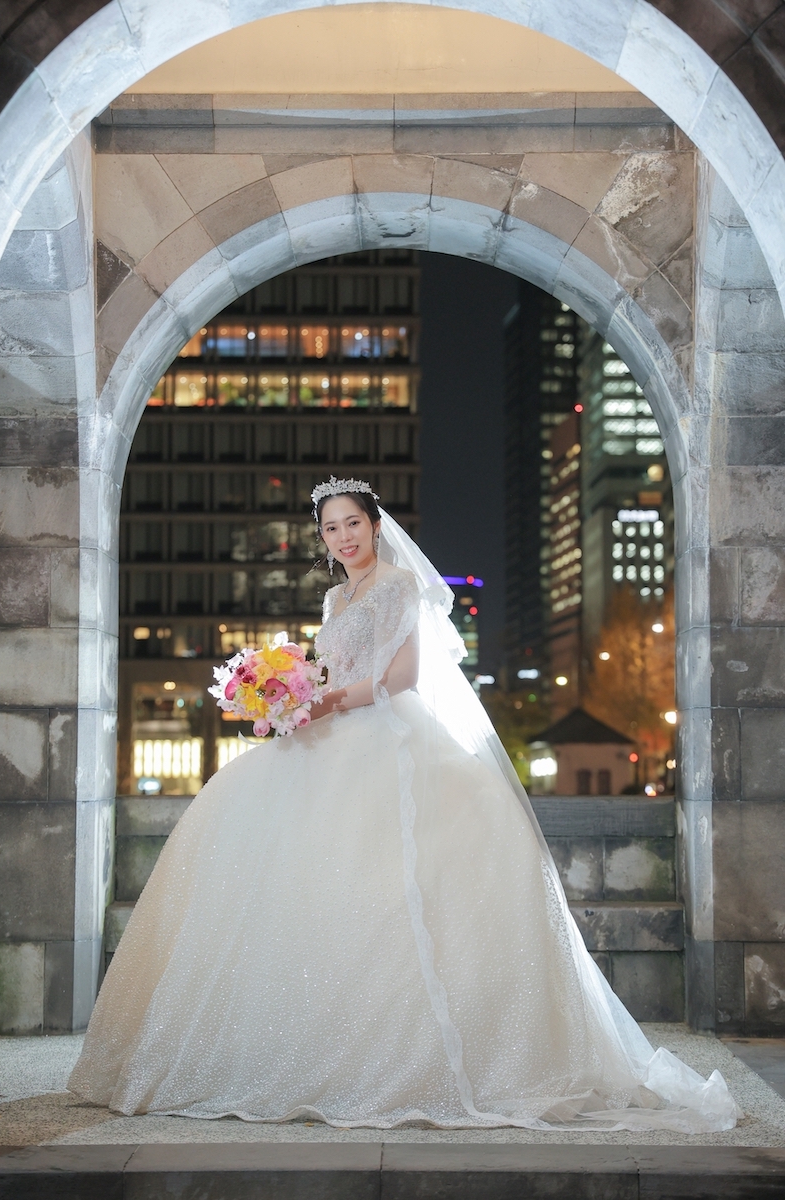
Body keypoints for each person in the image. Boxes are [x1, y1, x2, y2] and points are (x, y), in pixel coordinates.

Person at [68, 477, 738, 1132]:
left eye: (352, 523)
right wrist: (289, 698)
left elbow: (404, 678)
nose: (342, 536)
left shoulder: (401, 587)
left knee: (395, 881)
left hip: (387, 730)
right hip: (328, 729)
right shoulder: (335, 598)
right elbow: (326, 672)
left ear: (376, 525)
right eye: (331, 528)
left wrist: (326, 700)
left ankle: (423, 1057)